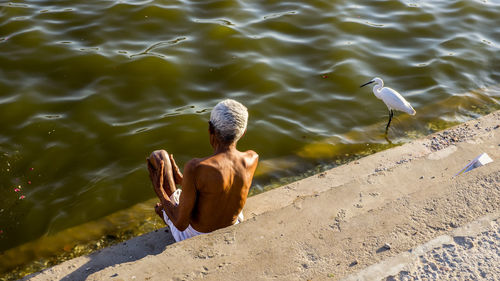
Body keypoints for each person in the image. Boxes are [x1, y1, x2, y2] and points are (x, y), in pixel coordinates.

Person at [147, 99, 259, 242]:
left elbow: (181, 224)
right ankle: (167, 210)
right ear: (243, 133)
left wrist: (161, 192)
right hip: (233, 223)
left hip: (195, 235)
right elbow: (221, 187)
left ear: (210, 129)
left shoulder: (196, 167)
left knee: (159, 156)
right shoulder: (252, 158)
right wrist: (185, 181)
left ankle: (165, 213)